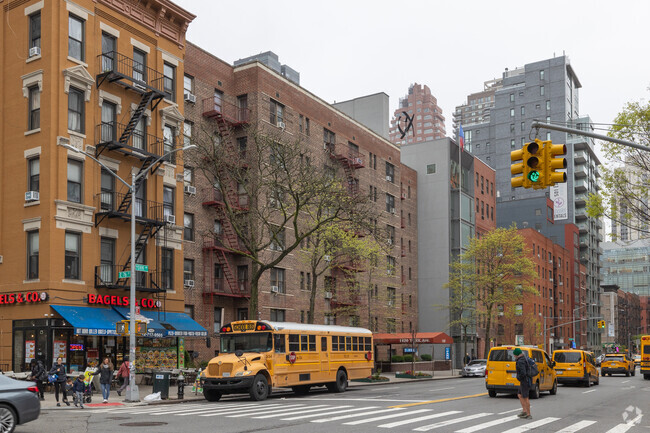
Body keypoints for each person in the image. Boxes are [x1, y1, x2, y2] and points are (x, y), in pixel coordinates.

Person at [514, 348, 532, 419]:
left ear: (517, 354)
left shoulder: (520, 361)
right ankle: (524, 411)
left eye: (514, 354)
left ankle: (528, 414)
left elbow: (523, 373)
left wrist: (519, 377)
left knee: (525, 397)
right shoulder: (523, 359)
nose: (514, 356)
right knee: (519, 394)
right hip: (524, 380)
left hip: (525, 380)